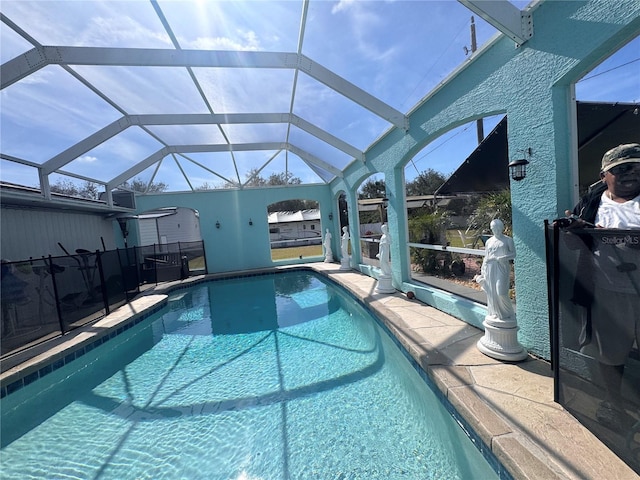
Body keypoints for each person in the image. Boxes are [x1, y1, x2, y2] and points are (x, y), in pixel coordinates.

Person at [559, 143, 640, 430]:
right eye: (621, 169)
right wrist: (575, 231)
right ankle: (614, 405)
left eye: (636, 167)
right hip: (606, 292)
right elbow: (572, 244)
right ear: (604, 175)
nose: (631, 173)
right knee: (610, 354)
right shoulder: (592, 202)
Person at [474, 219, 515, 321]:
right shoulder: (489, 241)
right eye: (493, 228)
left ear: (501, 228)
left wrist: (504, 257)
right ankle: (496, 312)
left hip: (501, 267)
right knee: (492, 291)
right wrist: (483, 270)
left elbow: (514, 254)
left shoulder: (508, 240)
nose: (496, 230)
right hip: (490, 268)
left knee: (501, 291)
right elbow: (486, 256)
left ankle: (508, 312)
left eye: (497, 228)